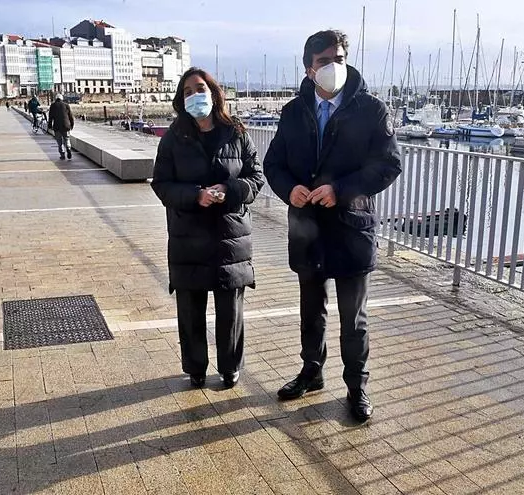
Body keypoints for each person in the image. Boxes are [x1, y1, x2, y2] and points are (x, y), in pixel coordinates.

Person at [263, 30, 402, 422]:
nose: (333, 66)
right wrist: (289, 189)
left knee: (353, 318)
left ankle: (357, 386)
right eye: (324, 61)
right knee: (311, 310)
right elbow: (274, 164)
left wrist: (339, 190)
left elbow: (388, 163)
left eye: (339, 58)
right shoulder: (293, 112)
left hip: (350, 229)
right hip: (307, 229)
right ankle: (312, 371)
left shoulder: (371, 110)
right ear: (309, 68)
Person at [151, 67, 265, 389]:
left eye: (200, 88)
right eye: (187, 91)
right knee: (190, 308)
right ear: (180, 99)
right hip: (188, 235)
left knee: (230, 308)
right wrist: (195, 196)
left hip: (230, 236)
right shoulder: (173, 137)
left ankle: (230, 366)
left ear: (214, 93)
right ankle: (195, 367)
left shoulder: (236, 132)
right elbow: (161, 184)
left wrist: (230, 189)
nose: (194, 95)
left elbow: (256, 177)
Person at [47, 94, 74, 160]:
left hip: (57, 126)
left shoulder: (53, 105)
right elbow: (70, 116)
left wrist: (49, 125)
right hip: (66, 126)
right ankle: (68, 149)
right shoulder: (66, 105)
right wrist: (72, 124)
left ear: (56, 99)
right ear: (62, 98)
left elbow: (50, 117)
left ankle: (62, 154)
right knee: (67, 139)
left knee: (59, 141)